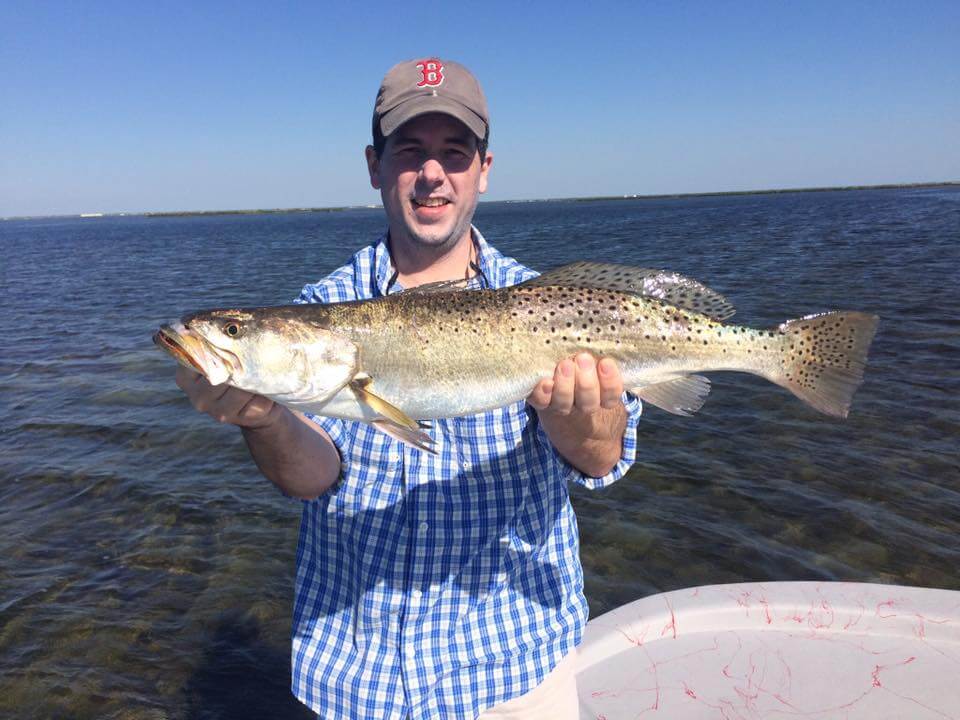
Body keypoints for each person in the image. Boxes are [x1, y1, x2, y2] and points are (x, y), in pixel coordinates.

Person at [176, 58, 642, 720]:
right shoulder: (323, 304)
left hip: (518, 671)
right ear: (375, 166)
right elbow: (313, 478)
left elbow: (602, 458)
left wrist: (578, 423)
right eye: (409, 151)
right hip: (358, 680)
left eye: (454, 153)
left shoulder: (554, 304)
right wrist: (264, 418)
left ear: (484, 169)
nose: (432, 173)